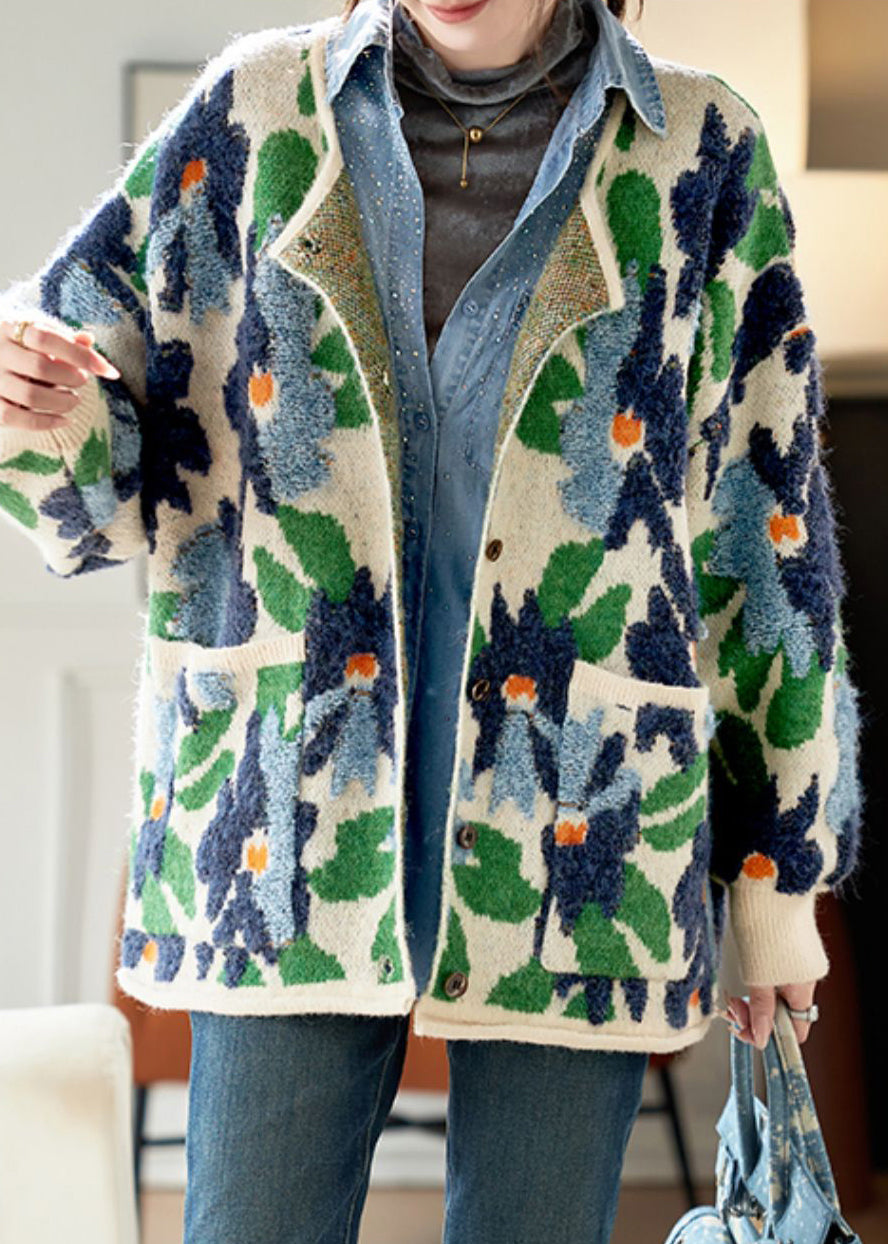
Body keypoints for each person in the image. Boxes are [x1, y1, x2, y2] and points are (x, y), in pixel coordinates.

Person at [0, 0, 863, 1239]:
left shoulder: (701, 147)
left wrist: (774, 882)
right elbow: (108, 470)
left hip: (582, 826)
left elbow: (764, 526)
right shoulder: (256, 114)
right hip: (283, 822)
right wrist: (34, 399)